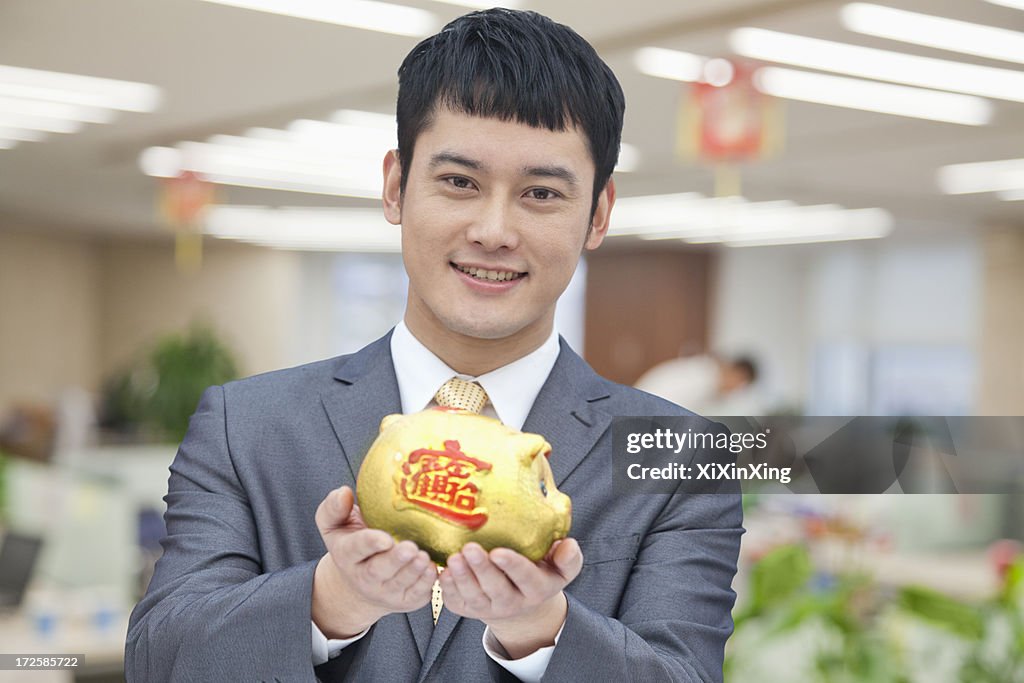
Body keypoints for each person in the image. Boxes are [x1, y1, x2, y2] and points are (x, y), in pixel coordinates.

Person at [125, 9, 743, 682]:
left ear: (597, 213)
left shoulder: (681, 460)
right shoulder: (245, 427)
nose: (494, 229)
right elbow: (159, 658)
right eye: (459, 182)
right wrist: (336, 597)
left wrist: (541, 628)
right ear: (395, 186)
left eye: (541, 192)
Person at [636, 353, 763, 416]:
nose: (736, 390)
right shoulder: (701, 377)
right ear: (735, 372)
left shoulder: (710, 380)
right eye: (740, 383)